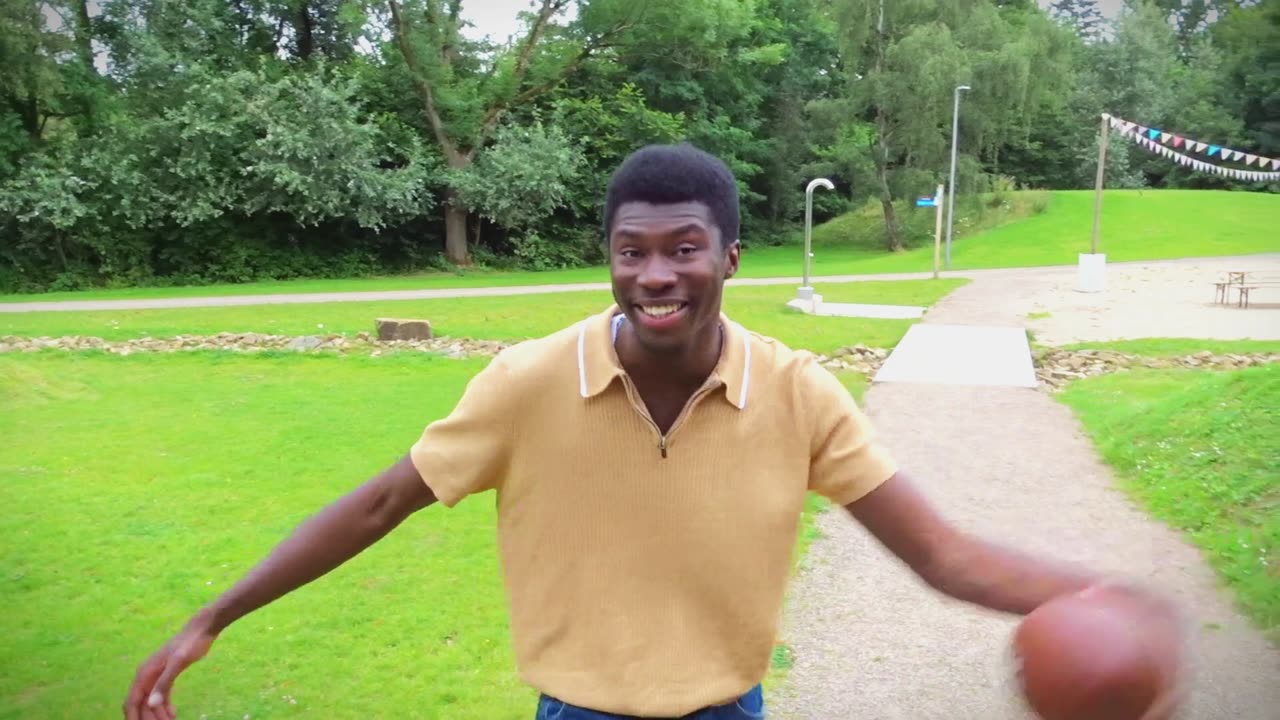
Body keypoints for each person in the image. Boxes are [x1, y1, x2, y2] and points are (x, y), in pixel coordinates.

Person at [124, 144, 1187, 720]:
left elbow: (942, 553)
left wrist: (1086, 593)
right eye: (632, 251)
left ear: (728, 257)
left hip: (729, 713)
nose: (654, 274)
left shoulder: (798, 391)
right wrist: (211, 617)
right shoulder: (526, 382)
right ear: (611, 257)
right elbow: (377, 503)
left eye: (683, 248)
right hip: (576, 719)